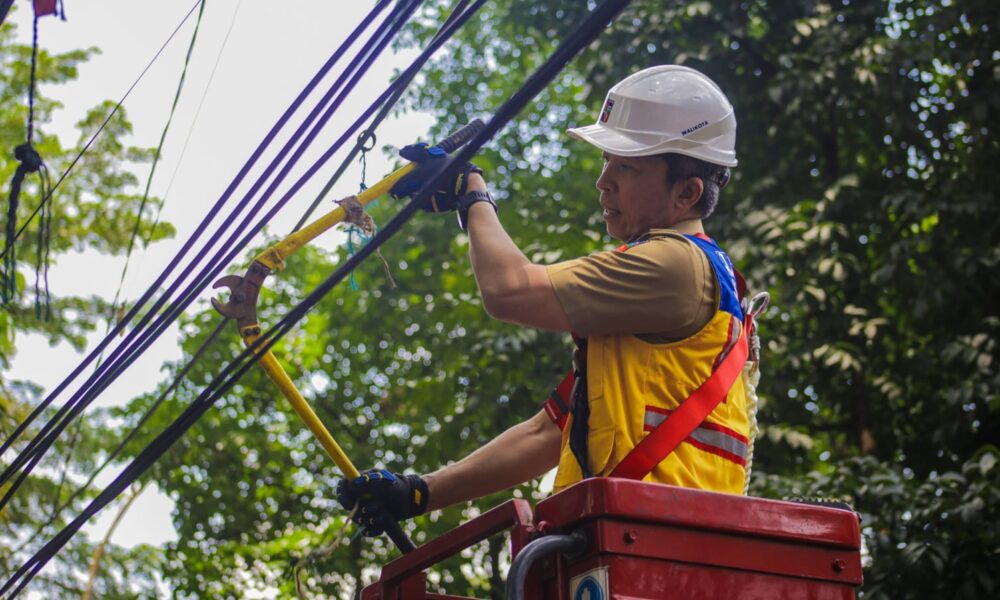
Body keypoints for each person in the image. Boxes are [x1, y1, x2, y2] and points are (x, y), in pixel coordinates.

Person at [337, 65, 752, 536]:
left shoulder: (675, 265)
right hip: (635, 543)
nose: (604, 181)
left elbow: (509, 290)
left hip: (660, 546)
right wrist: (417, 493)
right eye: (606, 161)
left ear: (687, 193)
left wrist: (471, 192)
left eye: (627, 166)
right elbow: (546, 433)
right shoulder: (659, 297)